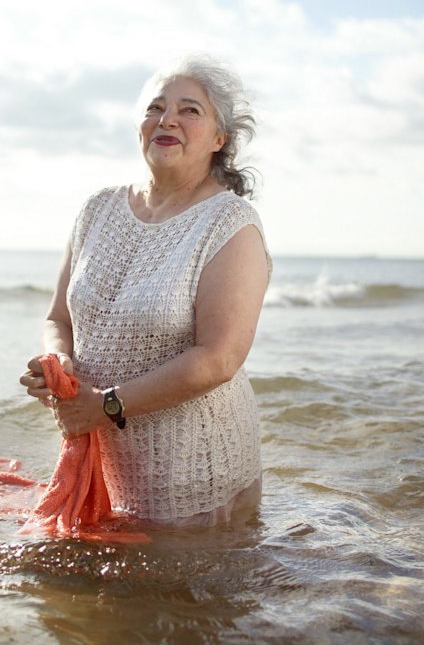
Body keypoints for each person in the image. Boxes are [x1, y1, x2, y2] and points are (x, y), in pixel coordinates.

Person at [20, 54, 272, 526]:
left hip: (193, 474)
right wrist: (58, 362)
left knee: (180, 599)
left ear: (220, 139)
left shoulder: (230, 225)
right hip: (106, 461)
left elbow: (218, 358)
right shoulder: (97, 209)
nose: (167, 119)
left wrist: (106, 405)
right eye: (155, 107)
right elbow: (59, 319)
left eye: (190, 110)